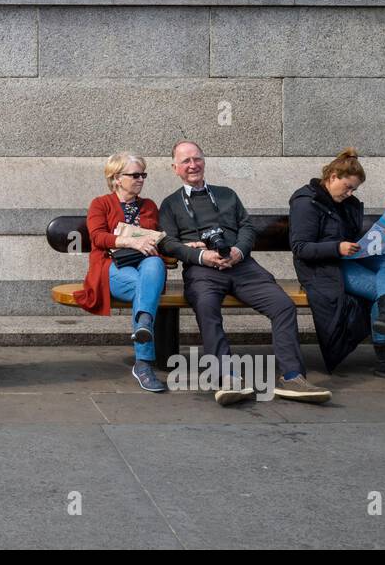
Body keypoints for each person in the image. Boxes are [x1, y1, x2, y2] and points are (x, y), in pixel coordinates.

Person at [158, 141, 331, 404]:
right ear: (175, 168)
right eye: (185, 161)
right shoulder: (170, 204)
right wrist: (200, 255)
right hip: (203, 271)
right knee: (206, 306)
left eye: (197, 159)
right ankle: (227, 377)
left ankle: (293, 376)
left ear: (204, 161)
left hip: (243, 267)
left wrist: (238, 250)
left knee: (283, 305)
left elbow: (247, 227)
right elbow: (168, 242)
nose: (192, 165)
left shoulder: (227, 194)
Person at [289, 149, 385, 382]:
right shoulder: (306, 203)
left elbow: (353, 235)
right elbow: (300, 248)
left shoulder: (346, 203)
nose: (350, 193)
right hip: (323, 267)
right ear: (332, 177)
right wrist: (337, 248)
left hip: (348, 257)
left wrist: (384, 240)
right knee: (381, 292)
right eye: (348, 187)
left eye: (354, 189)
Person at [73, 152, 168, 392]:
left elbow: (154, 239)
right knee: (144, 288)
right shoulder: (100, 203)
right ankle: (144, 361)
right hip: (111, 267)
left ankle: (144, 343)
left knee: (155, 264)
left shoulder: (149, 206)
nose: (141, 179)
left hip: (146, 266)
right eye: (135, 175)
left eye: (143, 174)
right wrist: (131, 242)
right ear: (116, 178)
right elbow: (97, 237)